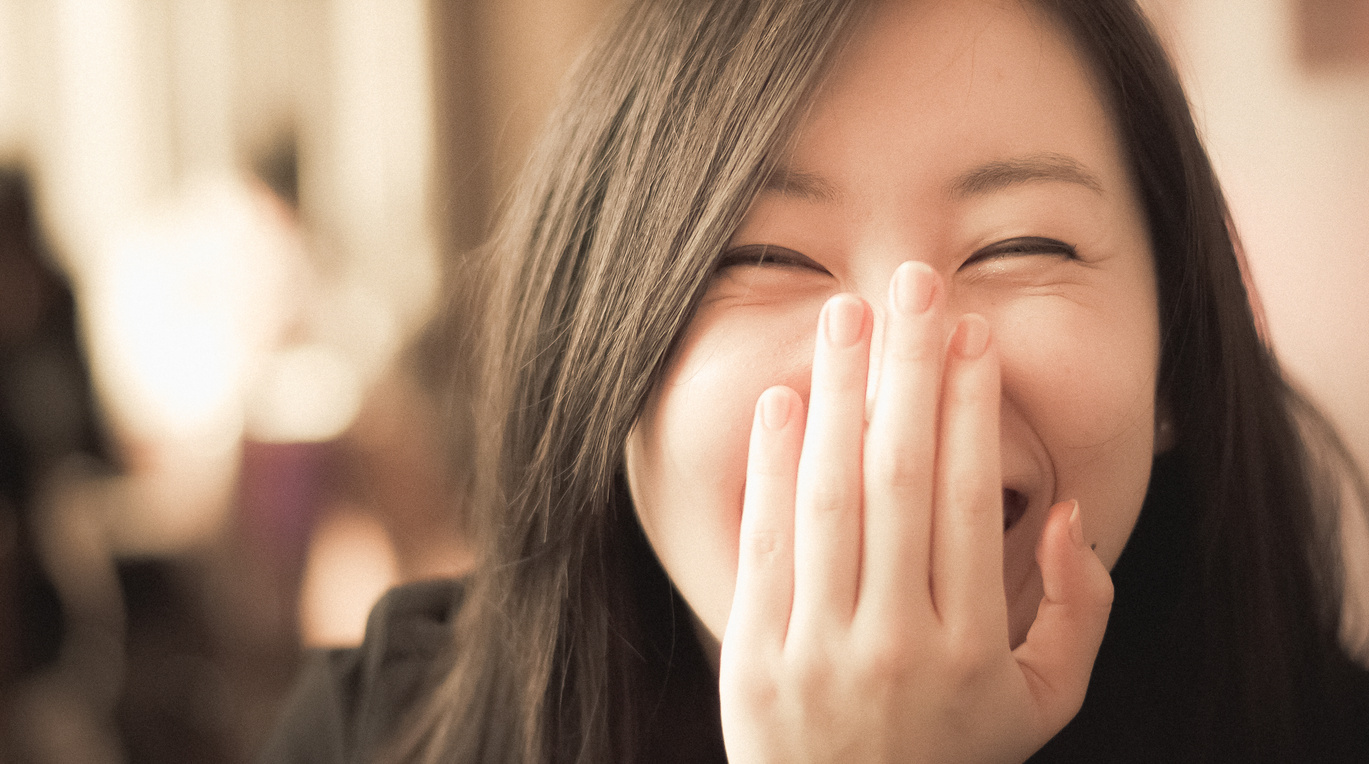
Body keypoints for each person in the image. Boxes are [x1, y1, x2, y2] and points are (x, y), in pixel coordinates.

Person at [262, 0, 1369, 761]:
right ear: (604, 357)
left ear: (1176, 351)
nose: (896, 382)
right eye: (761, 258)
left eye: (1020, 245)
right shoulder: (382, 733)